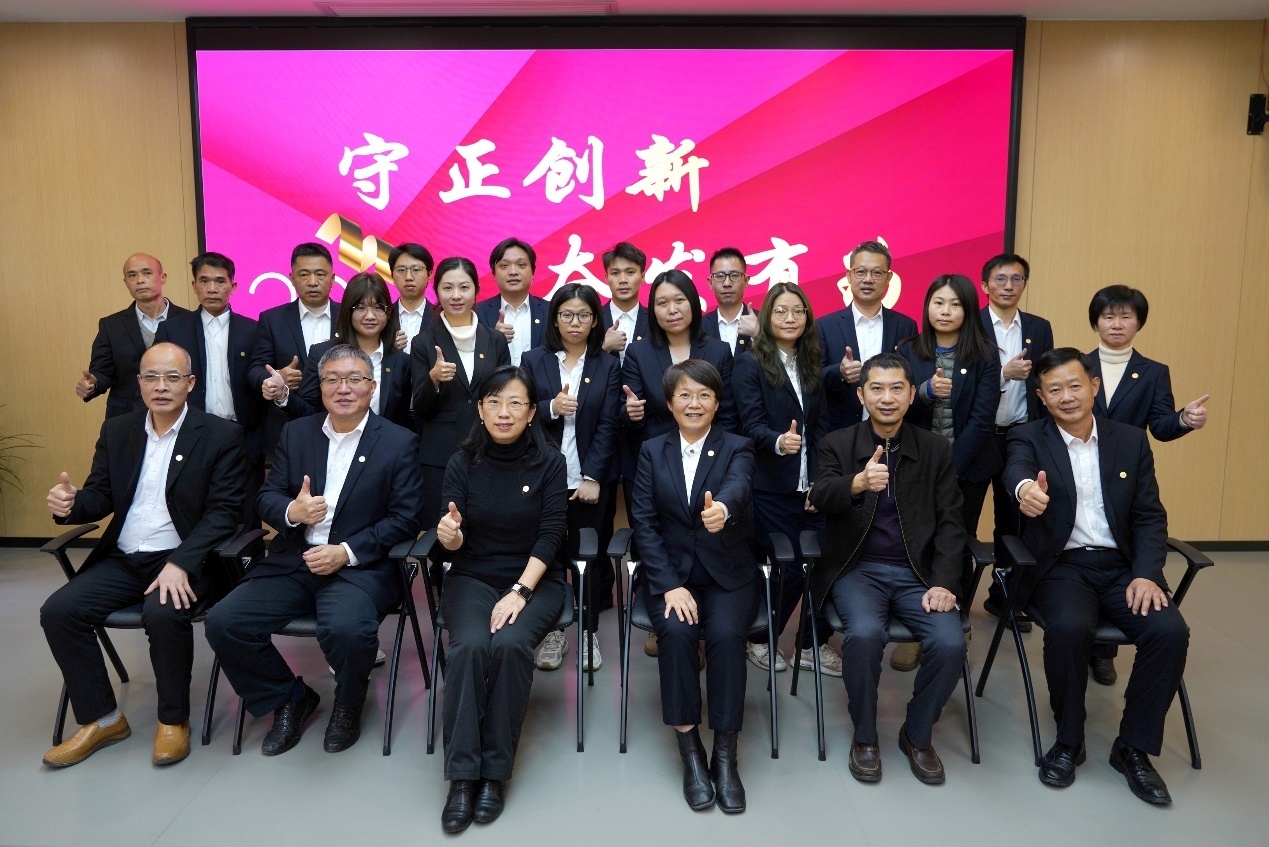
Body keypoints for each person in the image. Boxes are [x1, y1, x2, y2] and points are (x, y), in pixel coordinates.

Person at [205, 345, 422, 756]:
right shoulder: (297, 432)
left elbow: (405, 518)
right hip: (294, 560)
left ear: (372, 386)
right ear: (319, 387)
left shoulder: (398, 442)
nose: (343, 388)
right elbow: (267, 495)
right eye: (332, 379)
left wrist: (347, 551)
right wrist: (292, 510)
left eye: (355, 379)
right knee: (224, 622)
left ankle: (349, 702)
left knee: (347, 629)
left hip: (359, 568)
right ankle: (289, 697)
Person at [41, 342, 246, 768]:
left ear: (191, 383)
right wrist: (71, 505)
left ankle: (172, 720)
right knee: (59, 611)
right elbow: (100, 495)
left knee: (163, 613)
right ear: (138, 383)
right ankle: (103, 719)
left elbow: (224, 514)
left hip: (184, 557)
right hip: (123, 558)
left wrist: (181, 563)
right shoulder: (118, 430)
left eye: (172, 377)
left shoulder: (220, 435)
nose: (161, 386)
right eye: (151, 377)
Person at [1005, 347, 1190, 805]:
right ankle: (1069, 740)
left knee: (1169, 631)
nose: (1066, 397)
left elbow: (1149, 516)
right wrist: (1025, 491)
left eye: (1074, 386)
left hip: (1124, 568)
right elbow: (1018, 472)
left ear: (1094, 386)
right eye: (1054, 390)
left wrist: (1147, 574)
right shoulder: (1027, 436)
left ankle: (1133, 748)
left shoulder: (1129, 439)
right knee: (1069, 628)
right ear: (1041, 398)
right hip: (1061, 567)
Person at [808, 352, 967, 786]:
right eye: (876, 388)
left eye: (897, 388)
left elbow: (952, 522)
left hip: (920, 574)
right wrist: (857, 483)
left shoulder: (935, 449)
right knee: (863, 636)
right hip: (858, 570)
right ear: (861, 395)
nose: (887, 397)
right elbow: (820, 494)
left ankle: (917, 734)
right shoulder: (838, 443)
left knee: (950, 643)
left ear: (912, 395)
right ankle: (864, 736)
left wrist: (945, 582)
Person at [436, 365, 568, 833]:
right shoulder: (461, 462)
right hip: (473, 576)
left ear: (532, 413)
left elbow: (552, 534)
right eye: (494, 402)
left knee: (511, 646)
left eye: (515, 403)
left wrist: (520, 591)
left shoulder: (550, 462)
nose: (504, 412)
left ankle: (494, 773)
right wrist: (449, 535)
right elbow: (454, 539)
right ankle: (461, 776)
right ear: (480, 409)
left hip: (535, 579)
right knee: (470, 647)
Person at [631, 360, 757, 814]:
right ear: (669, 403)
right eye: (684, 395)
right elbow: (643, 522)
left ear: (717, 403)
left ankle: (725, 753)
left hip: (727, 572)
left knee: (725, 635)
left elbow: (739, 485)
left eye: (704, 395)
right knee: (677, 632)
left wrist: (722, 509)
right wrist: (668, 585)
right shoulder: (652, 450)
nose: (694, 403)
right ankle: (691, 752)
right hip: (671, 575)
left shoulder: (738, 446)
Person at [1083, 285, 1210, 686]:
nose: (1116, 324)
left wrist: (1183, 419)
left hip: (1127, 471)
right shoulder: (1079, 365)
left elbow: (1161, 425)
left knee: (1119, 547)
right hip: (1078, 462)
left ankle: (1102, 653)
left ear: (1138, 322)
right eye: (1108, 316)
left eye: (1125, 316)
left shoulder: (1153, 371)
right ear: (1096, 322)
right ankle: (1082, 634)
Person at [622, 269, 736, 658]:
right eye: (662, 303)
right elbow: (627, 412)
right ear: (652, 310)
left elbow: (728, 414)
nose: (671, 309)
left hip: (710, 461)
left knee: (705, 538)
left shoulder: (718, 350)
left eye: (679, 300)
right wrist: (631, 413)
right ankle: (666, 617)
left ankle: (702, 622)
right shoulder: (638, 352)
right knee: (656, 536)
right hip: (656, 463)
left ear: (694, 303)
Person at [731, 283, 840, 677]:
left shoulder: (810, 361)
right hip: (771, 487)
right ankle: (760, 637)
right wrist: (778, 441)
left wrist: (820, 481)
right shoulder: (750, 364)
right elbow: (750, 425)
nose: (790, 318)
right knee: (788, 567)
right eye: (781, 311)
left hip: (812, 486)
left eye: (797, 311)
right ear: (766, 318)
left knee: (825, 563)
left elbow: (821, 427)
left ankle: (811, 644)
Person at [895, 273, 1000, 671]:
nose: (945, 311)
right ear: (927, 307)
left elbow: (982, 420)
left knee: (957, 542)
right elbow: (896, 407)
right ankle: (917, 630)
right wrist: (924, 392)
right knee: (916, 543)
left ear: (968, 309)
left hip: (968, 470)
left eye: (955, 304)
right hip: (915, 467)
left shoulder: (985, 355)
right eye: (938, 302)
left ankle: (955, 627)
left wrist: (950, 472)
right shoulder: (909, 350)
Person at [522, 284, 621, 672]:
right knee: (546, 558)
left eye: (583, 315)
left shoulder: (607, 365)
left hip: (588, 482)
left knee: (588, 559)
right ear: (555, 319)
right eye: (567, 314)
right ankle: (552, 632)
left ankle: (588, 632)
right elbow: (522, 411)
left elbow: (609, 425)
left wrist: (593, 476)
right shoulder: (534, 360)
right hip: (543, 480)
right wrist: (551, 406)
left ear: (595, 320)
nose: (575, 322)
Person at [155, 252, 262, 526]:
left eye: (220, 281)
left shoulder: (254, 330)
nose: (212, 289)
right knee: (195, 511)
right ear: (194, 286)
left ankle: (247, 553)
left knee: (245, 513)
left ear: (233, 286)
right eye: (204, 281)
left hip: (242, 436)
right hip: (191, 434)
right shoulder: (172, 331)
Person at [977, 254, 1053, 634]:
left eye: (1017, 279)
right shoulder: (971, 323)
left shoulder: (1039, 327)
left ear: (1025, 284)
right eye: (1000, 278)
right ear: (985, 285)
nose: (1008, 286)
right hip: (979, 436)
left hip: (1020, 436)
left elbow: (1045, 381)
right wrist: (1003, 375)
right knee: (963, 516)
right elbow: (965, 382)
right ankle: (954, 595)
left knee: (1014, 521)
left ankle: (1003, 597)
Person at [411, 257, 512, 527]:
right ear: (436, 291)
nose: (456, 296)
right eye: (447, 288)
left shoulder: (495, 339)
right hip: (441, 457)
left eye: (464, 287)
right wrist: (433, 380)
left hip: (490, 450)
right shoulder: (423, 342)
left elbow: (506, 396)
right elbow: (419, 409)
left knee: (491, 527)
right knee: (444, 530)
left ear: (476, 290)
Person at [273, 272, 412, 428]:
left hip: (382, 442)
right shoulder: (321, 353)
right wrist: (283, 394)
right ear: (348, 311)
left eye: (378, 307)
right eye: (360, 307)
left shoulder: (402, 362)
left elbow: (401, 421)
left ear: (389, 312)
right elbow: (308, 412)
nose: (370, 316)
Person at [250, 243, 341, 462]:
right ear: (291, 278)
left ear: (333, 278)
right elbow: (255, 368)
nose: (312, 282)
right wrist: (274, 379)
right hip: (288, 425)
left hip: (342, 421)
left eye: (320, 274)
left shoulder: (349, 317)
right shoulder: (272, 319)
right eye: (304, 274)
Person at [817, 240, 918, 431]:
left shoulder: (906, 326)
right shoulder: (824, 326)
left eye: (877, 273)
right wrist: (839, 373)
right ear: (849, 275)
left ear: (888, 277)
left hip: (892, 431)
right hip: (841, 433)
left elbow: (912, 379)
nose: (868, 279)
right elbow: (810, 380)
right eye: (861, 272)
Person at [77, 253, 188, 418]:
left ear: (163, 277)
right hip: (127, 415)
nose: (140, 280)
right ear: (126, 282)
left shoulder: (188, 320)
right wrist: (93, 383)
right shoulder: (111, 325)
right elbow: (102, 371)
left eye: (147, 273)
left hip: (177, 414)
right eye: (132, 275)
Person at [598, 241, 651, 557]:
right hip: (599, 427)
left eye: (630, 272)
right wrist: (602, 348)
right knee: (599, 518)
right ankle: (600, 583)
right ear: (605, 277)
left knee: (643, 513)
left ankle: (644, 578)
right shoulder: (591, 318)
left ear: (642, 275)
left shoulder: (656, 318)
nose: (622, 279)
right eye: (615, 272)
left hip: (641, 428)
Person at [475, 237, 549, 365]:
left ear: (533, 272)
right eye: (504, 266)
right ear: (494, 274)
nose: (513, 272)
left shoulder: (551, 311)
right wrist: (492, 341)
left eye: (521, 265)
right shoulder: (476, 313)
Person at [702, 247, 758, 355]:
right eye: (720, 276)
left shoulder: (763, 321)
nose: (727, 283)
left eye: (735, 275)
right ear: (710, 283)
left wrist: (758, 334)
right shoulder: (700, 327)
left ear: (746, 281)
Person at [389, 242, 435, 355]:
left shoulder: (441, 317)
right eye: (401, 270)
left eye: (416, 269)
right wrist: (387, 348)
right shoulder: (382, 317)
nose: (408, 277)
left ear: (429, 274)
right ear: (392, 275)